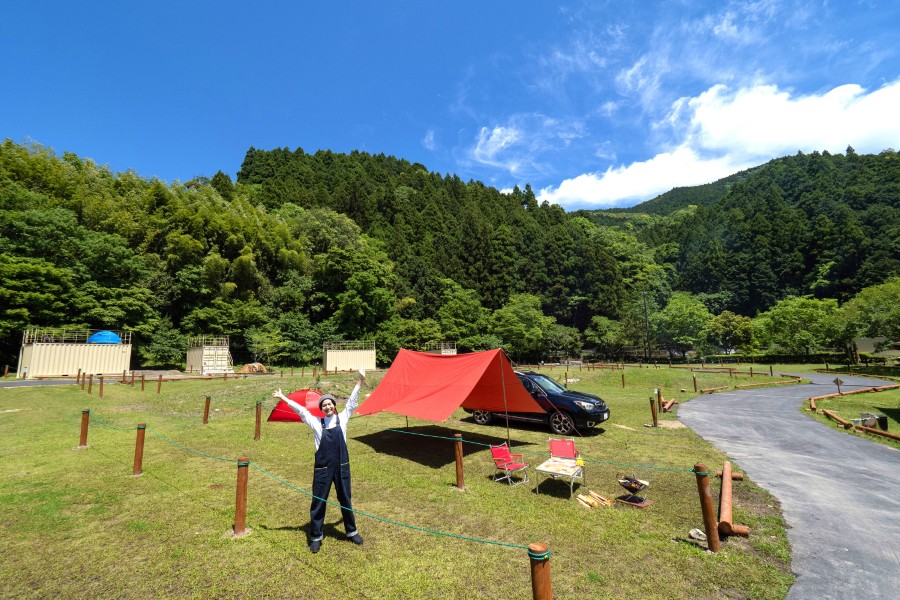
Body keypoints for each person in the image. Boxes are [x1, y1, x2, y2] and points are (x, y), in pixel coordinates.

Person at [272, 368, 366, 553]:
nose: (328, 407)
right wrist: (283, 397)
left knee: (345, 498)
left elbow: (352, 402)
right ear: (321, 409)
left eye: (330, 404)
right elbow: (301, 410)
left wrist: (360, 382)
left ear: (334, 406)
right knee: (318, 501)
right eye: (324, 405)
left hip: (341, 466)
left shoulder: (342, 419)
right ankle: (316, 536)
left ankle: (351, 531)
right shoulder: (316, 422)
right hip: (323, 469)